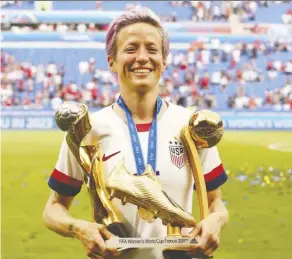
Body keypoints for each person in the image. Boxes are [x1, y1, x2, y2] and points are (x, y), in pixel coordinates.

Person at [43, 7, 229, 259]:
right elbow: (53, 209)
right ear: (112, 61)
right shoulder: (87, 130)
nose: (142, 57)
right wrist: (80, 229)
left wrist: (215, 222)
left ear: (164, 60)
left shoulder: (191, 125)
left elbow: (216, 203)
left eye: (152, 49)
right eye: (131, 49)